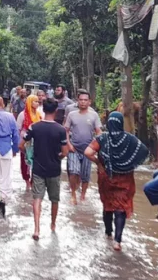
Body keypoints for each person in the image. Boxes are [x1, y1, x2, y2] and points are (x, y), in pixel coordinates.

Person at [85, 112, 150, 251]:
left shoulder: (102, 138)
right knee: (120, 208)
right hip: (125, 179)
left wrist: (99, 163)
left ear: (109, 123)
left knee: (108, 205)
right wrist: (130, 163)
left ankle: (108, 232)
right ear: (121, 123)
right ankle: (117, 241)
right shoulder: (130, 139)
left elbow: (87, 152)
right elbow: (144, 151)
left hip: (106, 178)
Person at [21, 98, 68, 241]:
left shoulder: (34, 127)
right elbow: (65, 152)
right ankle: (53, 225)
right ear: (55, 111)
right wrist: (58, 158)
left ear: (43, 109)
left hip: (38, 169)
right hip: (54, 169)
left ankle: (36, 229)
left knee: (37, 198)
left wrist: (29, 156)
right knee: (54, 199)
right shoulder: (60, 129)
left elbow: (21, 145)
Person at [64, 90, 102, 204]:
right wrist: (68, 144)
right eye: (81, 100)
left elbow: (98, 131)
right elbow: (65, 131)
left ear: (89, 102)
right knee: (73, 171)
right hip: (74, 148)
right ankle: (73, 194)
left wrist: (96, 147)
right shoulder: (72, 115)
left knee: (85, 175)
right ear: (77, 101)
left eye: (85, 100)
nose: (83, 102)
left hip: (88, 150)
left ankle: (83, 195)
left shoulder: (94, 115)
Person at [16, 95, 40, 190]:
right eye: (35, 101)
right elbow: (17, 129)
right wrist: (19, 143)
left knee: (36, 162)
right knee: (25, 162)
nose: (37, 103)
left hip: (36, 142)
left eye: (38, 101)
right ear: (29, 102)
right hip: (25, 142)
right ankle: (27, 182)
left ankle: (33, 181)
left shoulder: (39, 114)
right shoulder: (22, 114)